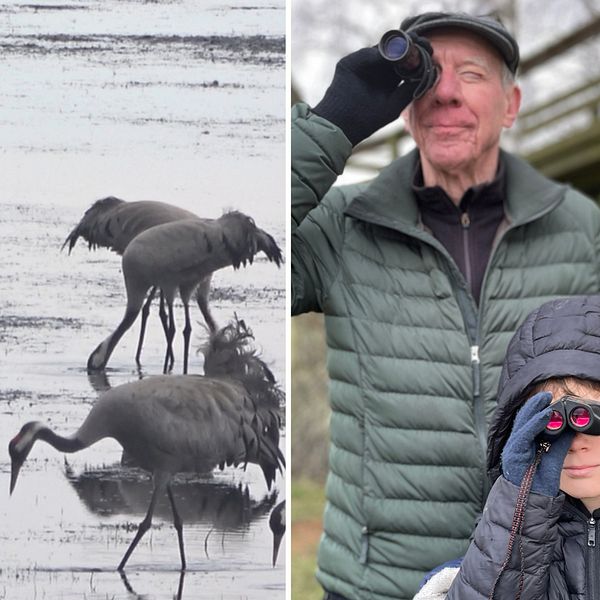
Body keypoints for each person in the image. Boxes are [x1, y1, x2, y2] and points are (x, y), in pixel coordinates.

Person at [291, 10, 600, 600]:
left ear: (511, 105)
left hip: (533, 579)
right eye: (428, 76)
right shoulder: (339, 225)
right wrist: (332, 125)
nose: (447, 93)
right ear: (405, 107)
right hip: (374, 584)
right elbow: (222, 248)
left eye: (472, 74)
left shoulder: (581, 227)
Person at [415, 294, 600, 598]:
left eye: (592, 416)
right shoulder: (483, 561)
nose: (575, 444)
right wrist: (520, 513)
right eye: (552, 422)